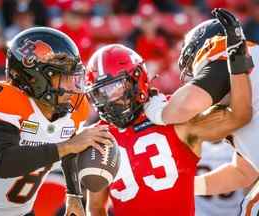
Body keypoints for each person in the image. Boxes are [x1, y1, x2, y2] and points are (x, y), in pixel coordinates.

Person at [83, 38, 251, 215]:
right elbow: (95, 207)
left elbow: (238, 116)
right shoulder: (98, 137)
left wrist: (237, 61)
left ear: (137, 79)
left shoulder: (175, 115)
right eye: (100, 93)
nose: (109, 100)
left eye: (115, 88)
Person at [0, 27, 114, 216]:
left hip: (22, 212)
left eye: (74, 77)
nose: (73, 87)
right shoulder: (5, 99)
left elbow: (70, 150)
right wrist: (69, 145)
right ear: (35, 78)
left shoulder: (74, 107)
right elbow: (2, 163)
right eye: (64, 77)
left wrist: (73, 194)